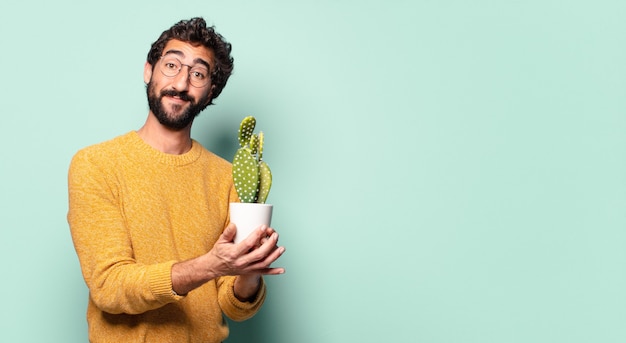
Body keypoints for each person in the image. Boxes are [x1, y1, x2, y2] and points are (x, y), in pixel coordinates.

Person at [67, 17, 285, 343]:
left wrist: (249, 270)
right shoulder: (96, 164)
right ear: (148, 71)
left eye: (197, 73)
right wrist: (208, 266)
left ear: (211, 90)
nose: (181, 83)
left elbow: (235, 306)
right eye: (171, 65)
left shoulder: (228, 176)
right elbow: (109, 287)